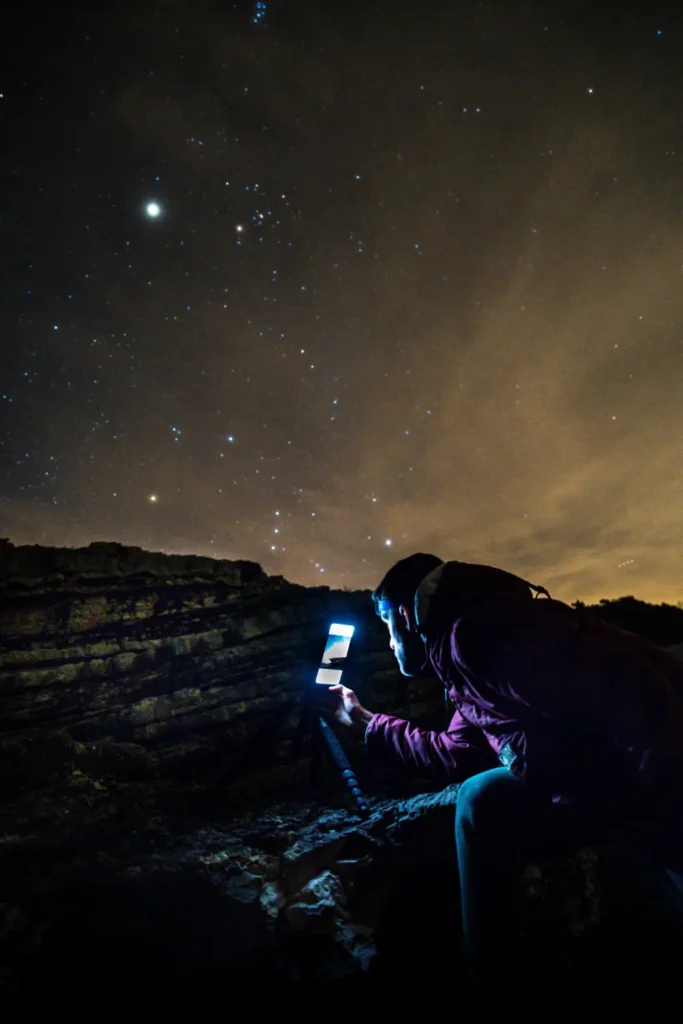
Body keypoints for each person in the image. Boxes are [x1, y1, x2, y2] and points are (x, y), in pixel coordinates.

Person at [326, 553, 683, 985]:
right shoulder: (460, 650)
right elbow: (461, 752)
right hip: (597, 778)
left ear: (403, 615)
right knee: (480, 798)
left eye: (385, 627)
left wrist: (646, 806)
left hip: (648, 779)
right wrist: (364, 720)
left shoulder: (478, 633)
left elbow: (631, 692)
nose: (388, 642)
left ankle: (493, 988)